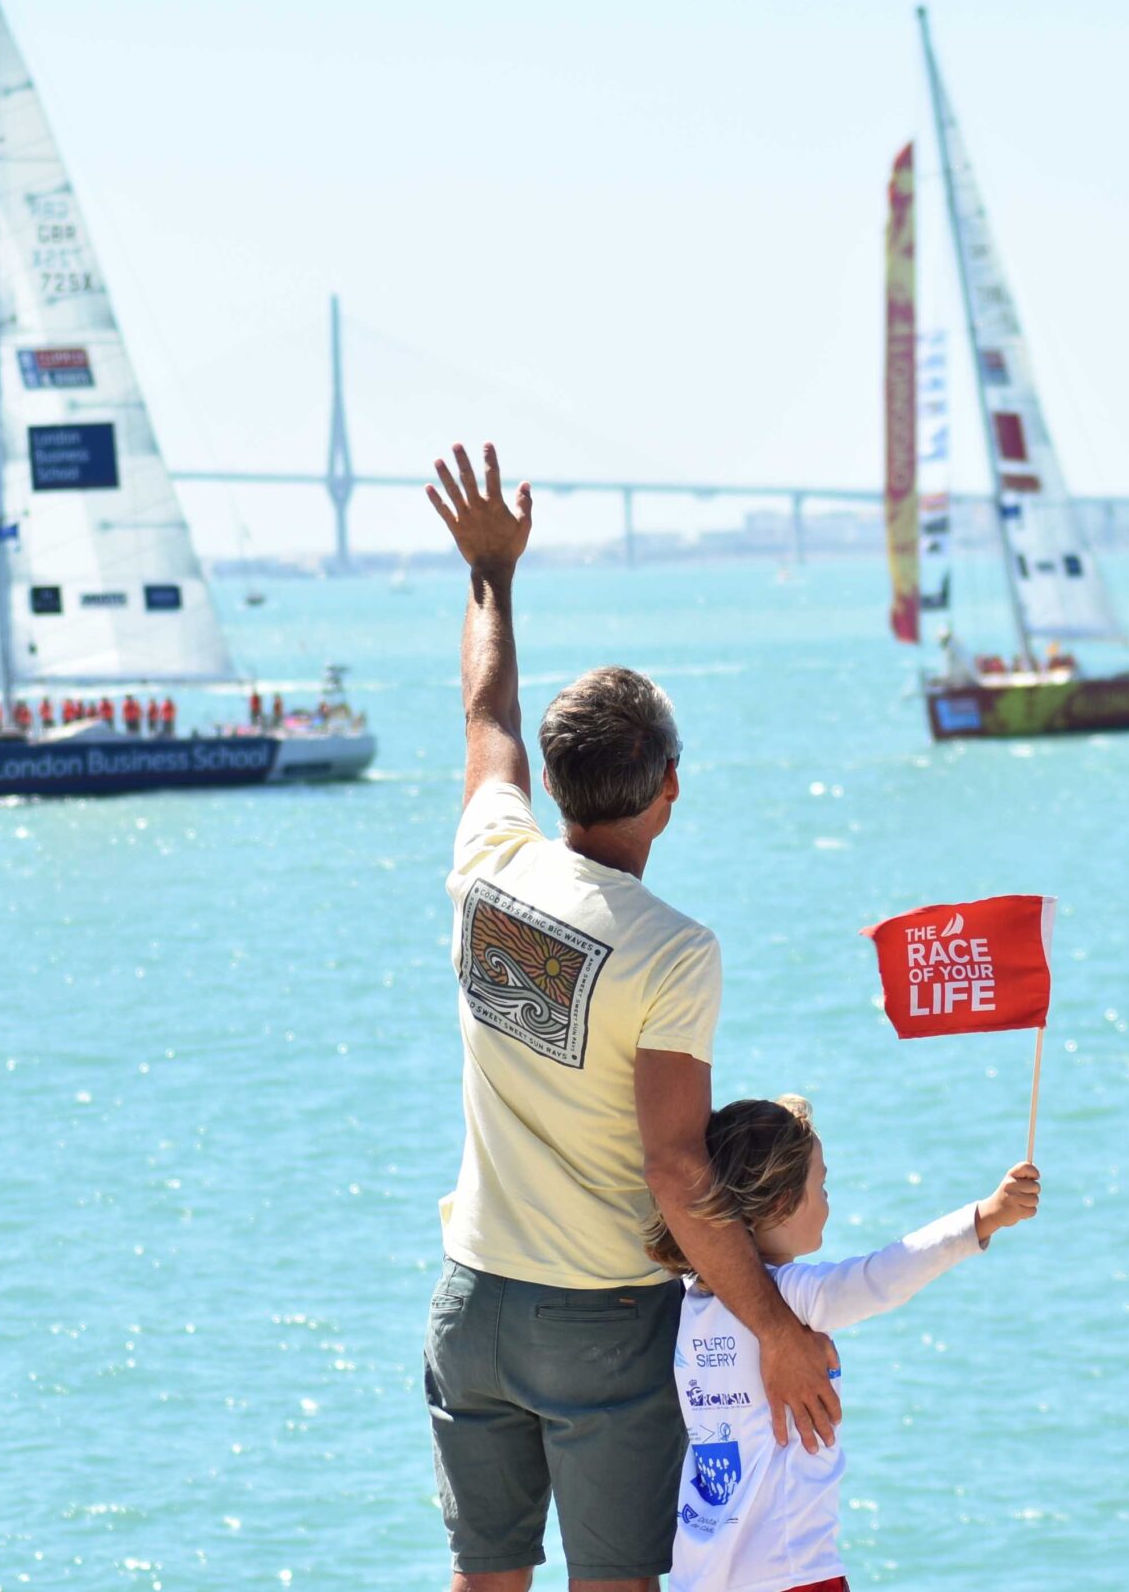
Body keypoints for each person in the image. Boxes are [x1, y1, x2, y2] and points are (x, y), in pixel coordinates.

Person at [423, 442, 842, 1592]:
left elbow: (485, 712)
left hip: (470, 1299)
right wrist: (775, 1329)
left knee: (484, 1576)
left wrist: (492, 577)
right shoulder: (672, 950)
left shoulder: (488, 858)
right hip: (600, 1321)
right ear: (667, 787)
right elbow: (673, 1166)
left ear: (559, 785)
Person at [644, 1096, 1041, 1592]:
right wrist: (983, 1218)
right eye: (821, 1184)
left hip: (699, 1573)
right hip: (790, 1570)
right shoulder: (790, 1298)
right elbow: (884, 1276)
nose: (829, 1198)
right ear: (782, 1203)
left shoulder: (688, 1298)